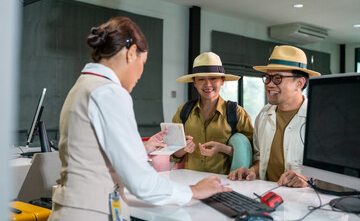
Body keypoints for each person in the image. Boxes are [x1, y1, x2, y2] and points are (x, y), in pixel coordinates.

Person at [48, 17, 231, 221]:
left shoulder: (84, 86)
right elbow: (141, 182)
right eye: (143, 63)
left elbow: (95, 155)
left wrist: (142, 150)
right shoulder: (110, 93)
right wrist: (194, 191)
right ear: (131, 53)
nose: (141, 73)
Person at [228, 45, 321, 188]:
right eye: (267, 77)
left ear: (299, 83)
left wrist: (307, 179)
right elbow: (261, 159)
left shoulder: (319, 120)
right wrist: (251, 171)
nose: (269, 84)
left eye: (277, 78)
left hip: (304, 202)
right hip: (269, 196)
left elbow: (332, 172)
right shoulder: (264, 114)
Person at [171, 52, 254, 175]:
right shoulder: (183, 112)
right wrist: (182, 149)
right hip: (190, 182)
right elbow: (172, 153)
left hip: (225, 184)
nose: (207, 84)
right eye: (201, 79)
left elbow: (251, 153)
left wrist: (224, 149)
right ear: (194, 82)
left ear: (222, 81)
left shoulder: (237, 113)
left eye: (213, 78)